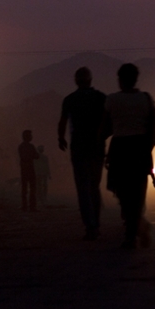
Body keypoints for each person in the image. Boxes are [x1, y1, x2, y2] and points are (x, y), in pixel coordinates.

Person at [102, 63, 155, 249]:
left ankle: (131, 234)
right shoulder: (145, 99)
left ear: (120, 80)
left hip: (120, 149)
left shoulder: (112, 100)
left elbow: (104, 128)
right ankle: (138, 226)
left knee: (123, 194)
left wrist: (99, 145)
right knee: (137, 194)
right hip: (140, 150)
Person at [58, 66, 107, 240]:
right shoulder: (100, 98)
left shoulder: (70, 100)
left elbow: (63, 122)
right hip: (97, 149)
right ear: (90, 80)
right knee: (94, 187)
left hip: (79, 149)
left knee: (83, 188)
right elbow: (108, 122)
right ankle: (96, 224)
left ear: (76, 81)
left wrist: (61, 139)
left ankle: (90, 226)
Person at [18, 130, 39, 211]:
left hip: (24, 169)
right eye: (30, 135)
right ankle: (32, 206)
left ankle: (24, 206)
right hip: (30, 169)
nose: (31, 137)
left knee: (24, 188)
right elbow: (36, 156)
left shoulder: (20, 146)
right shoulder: (31, 146)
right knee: (32, 188)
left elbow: (23, 157)